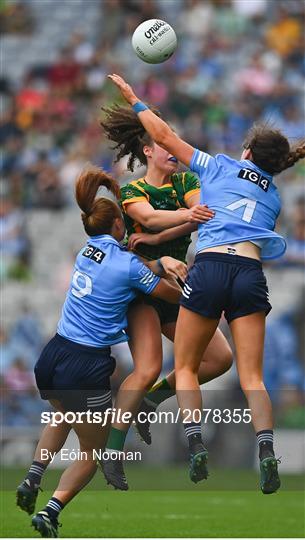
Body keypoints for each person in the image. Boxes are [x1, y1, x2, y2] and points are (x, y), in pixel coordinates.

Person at [108, 73, 305, 494]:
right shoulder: (273, 195)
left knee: (185, 366)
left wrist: (134, 99)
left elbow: (164, 133)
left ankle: (195, 444)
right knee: (252, 375)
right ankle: (267, 452)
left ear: (246, 151)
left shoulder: (217, 166)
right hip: (250, 274)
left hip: (211, 267)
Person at [16, 165, 183, 537]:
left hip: (53, 354)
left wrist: (154, 264)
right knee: (92, 451)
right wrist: (184, 278)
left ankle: (32, 477)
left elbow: (126, 269)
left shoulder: (86, 250)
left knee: (60, 417)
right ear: (119, 228)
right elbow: (165, 293)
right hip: (85, 364)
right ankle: (50, 511)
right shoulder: (125, 264)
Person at [99, 105, 233, 490]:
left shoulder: (186, 181)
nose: (172, 149)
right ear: (147, 151)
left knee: (219, 359)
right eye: (163, 142)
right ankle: (113, 452)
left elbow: (196, 211)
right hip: (141, 288)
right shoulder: (132, 191)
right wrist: (172, 230)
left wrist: (162, 237)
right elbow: (156, 219)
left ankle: (151, 401)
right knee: (146, 369)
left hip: (174, 286)